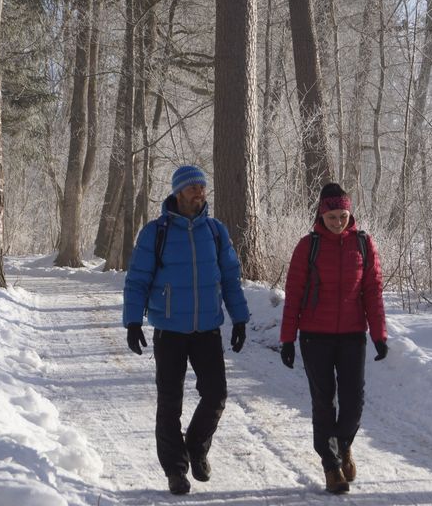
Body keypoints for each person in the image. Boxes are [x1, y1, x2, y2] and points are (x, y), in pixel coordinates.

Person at [123, 164, 250, 496]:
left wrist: (239, 319)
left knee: (216, 396)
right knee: (169, 403)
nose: (200, 192)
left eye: (202, 187)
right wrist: (133, 320)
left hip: (207, 328)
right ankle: (175, 472)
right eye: (193, 187)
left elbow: (230, 279)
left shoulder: (216, 232)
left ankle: (195, 445)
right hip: (169, 330)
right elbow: (137, 280)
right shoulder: (156, 233)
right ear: (178, 192)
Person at [279, 183, 388, 494]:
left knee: (353, 402)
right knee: (323, 402)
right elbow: (294, 297)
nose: (338, 222)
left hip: (354, 335)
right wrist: (288, 339)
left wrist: (379, 335)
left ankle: (342, 446)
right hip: (315, 337)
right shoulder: (306, 247)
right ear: (321, 214)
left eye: (343, 215)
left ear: (350, 213)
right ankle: (331, 466)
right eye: (332, 217)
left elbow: (373, 294)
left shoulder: (364, 245)